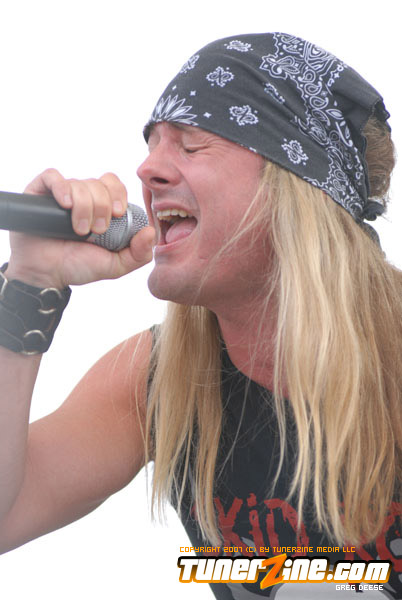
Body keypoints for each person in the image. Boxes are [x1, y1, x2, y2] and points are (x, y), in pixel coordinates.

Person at [0, 32, 401, 599]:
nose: (147, 170)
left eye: (190, 146)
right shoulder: (157, 378)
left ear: (297, 184)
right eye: (152, 146)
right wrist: (30, 284)